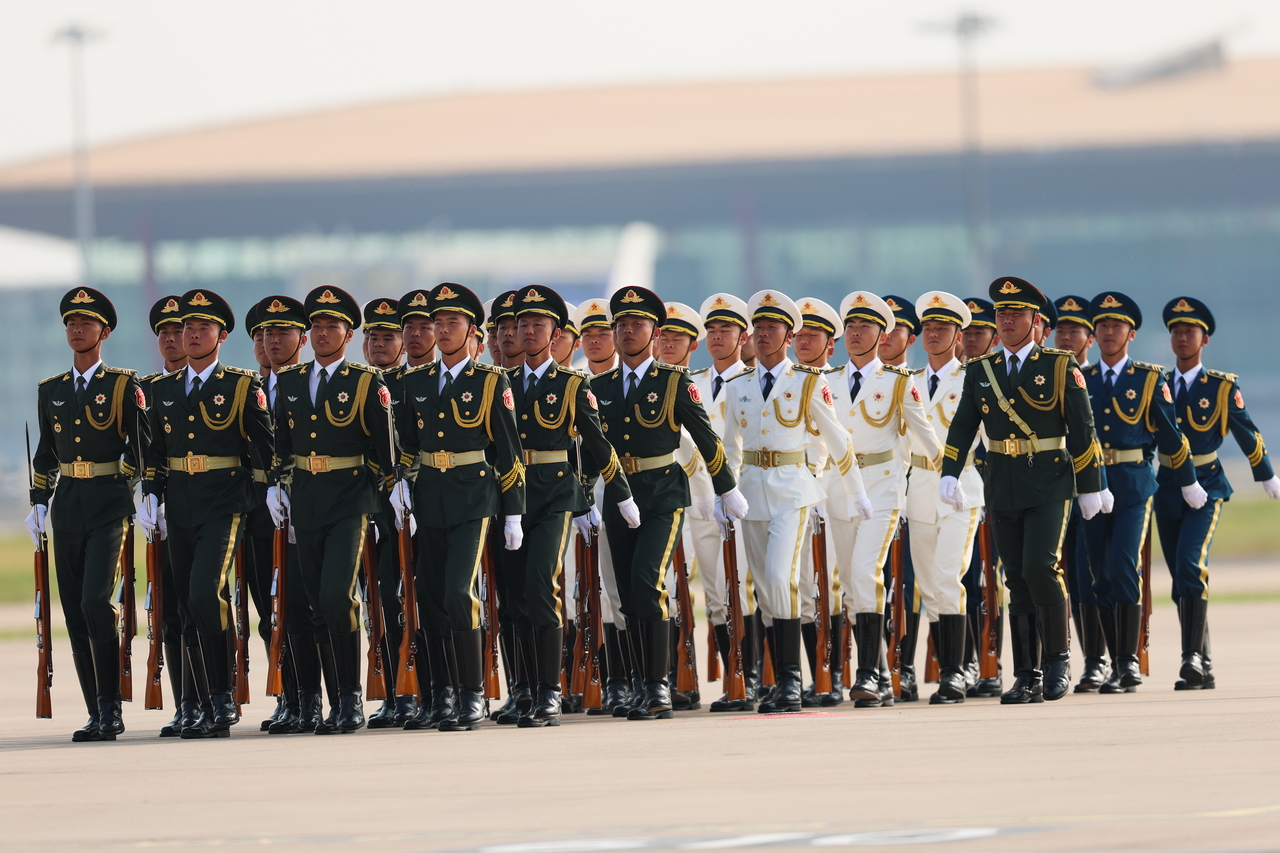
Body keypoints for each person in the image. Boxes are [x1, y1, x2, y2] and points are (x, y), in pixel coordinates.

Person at [939, 276, 1105, 704]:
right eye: (1002, 314)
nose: (1007, 321)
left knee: (1040, 567)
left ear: (1036, 321)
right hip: (1001, 483)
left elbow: (1082, 429)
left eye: (1016, 314)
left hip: (1049, 481)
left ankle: (1058, 660)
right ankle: (1027, 674)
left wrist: (1092, 486)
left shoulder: (1060, 365)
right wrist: (949, 471)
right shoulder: (981, 370)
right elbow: (963, 425)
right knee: (1014, 577)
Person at [585, 286, 744, 721]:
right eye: (621, 325)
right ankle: (640, 684)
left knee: (646, 581)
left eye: (637, 324)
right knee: (626, 595)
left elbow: (706, 439)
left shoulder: (673, 382)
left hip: (662, 494)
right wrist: (582, 498)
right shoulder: (597, 387)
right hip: (618, 496)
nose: (627, 331)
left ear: (655, 333)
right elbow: (591, 451)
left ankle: (658, 686)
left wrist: (726, 488)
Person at [720, 291, 867, 713]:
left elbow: (837, 438)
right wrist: (723, 491)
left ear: (789, 337)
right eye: (759, 328)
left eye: (773, 328)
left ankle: (789, 678)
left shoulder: (808, 381)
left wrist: (855, 489)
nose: (763, 335)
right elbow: (729, 446)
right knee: (764, 586)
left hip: (793, 489)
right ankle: (781, 677)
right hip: (750, 491)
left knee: (779, 576)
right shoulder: (737, 385)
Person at [138, 289, 273, 738]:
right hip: (179, 505)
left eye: (203, 328)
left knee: (204, 593)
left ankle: (222, 698)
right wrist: (151, 494)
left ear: (222, 336)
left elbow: (266, 447)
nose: (192, 335)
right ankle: (198, 704)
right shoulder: (161, 390)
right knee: (185, 604)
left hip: (224, 502)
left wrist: (271, 492)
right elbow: (155, 451)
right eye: (187, 328)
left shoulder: (241, 386)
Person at [266, 286, 400, 734]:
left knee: (337, 595)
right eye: (317, 326)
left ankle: (351, 698)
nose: (323, 333)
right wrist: (278, 485)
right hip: (306, 500)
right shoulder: (289, 381)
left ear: (348, 334)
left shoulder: (365, 381)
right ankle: (330, 701)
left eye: (332, 326)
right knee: (314, 603)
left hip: (350, 499)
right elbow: (281, 443)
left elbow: (385, 449)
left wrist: (386, 495)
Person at [502, 285, 636, 726]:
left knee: (542, 584)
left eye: (538, 325)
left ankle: (550, 692)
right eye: (523, 324)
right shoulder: (500, 383)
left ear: (556, 334)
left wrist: (620, 493)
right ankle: (524, 689)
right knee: (516, 596)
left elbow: (598, 444)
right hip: (511, 497)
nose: (528, 331)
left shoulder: (572, 384)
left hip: (555, 495)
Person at [397, 283, 526, 731]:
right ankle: (442, 693)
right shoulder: (414, 381)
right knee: (430, 597)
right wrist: (400, 482)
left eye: (453, 322)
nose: (444, 330)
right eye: (438, 322)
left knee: (458, 592)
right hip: (429, 497)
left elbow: (509, 452)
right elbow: (407, 444)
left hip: (474, 497)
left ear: (472, 331)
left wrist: (513, 512)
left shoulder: (490, 381)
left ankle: (473, 693)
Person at [28, 288, 149, 742]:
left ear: (105, 332)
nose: (77, 330)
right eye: (71, 324)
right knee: (74, 610)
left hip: (108, 506)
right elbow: (46, 453)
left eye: (86, 323)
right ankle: (95, 711)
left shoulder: (123, 385)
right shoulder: (51, 390)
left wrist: (130, 486)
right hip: (68, 508)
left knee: (97, 601)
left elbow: (140, 447)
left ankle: (111, 706)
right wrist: (39, 500)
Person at [1156, 297, 1279, 690]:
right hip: (1167, 486)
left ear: (1204, 339)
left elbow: (1246, 430)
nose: (1182, 338)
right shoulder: (1155, 384)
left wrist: (1266, 473)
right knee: (1180, 579)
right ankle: (1203, 662)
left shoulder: (1221, 386)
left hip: (1207, 485)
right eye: (1176, 332)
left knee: (1190, 564)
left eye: (1189, 332)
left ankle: (1190, 657)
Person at [1083, 292, 1202, 695]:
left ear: (1130, 334)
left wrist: (1188, 480)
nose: (1109, 332)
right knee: (1099, 574)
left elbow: (1171, 435)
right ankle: (1115, 663)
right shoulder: (1082, 378)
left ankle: (1128, 662)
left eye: (1117, 326)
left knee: (1123, 564)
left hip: (1133, 483)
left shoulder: (1149, 379)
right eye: (1102, 326)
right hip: (1091, 484)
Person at [826, 292, 937, 706]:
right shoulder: (826, 380)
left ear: (883, 335)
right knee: (849, 586)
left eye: (866, 327)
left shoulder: (898, 382)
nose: (856, 334)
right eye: (851, 327)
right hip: (838, 487)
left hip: (882, 487)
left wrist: (950, 476)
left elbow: (926, 436)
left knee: (864, 572)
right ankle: (882, 672)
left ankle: (868, 673)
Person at [682, 294, 758, 712]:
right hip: (698, 498)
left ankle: (755, 675)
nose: (716, 337)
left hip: (741, 499)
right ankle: (734, 677)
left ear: (743, 337)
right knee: (714, 593)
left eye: (725, 330)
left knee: (741, 589)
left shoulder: (755, 381)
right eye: (711, 330)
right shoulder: (690, 382)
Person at [903, 292, 978, 704]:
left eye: (943, 328)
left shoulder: (973, 378)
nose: (933, 334)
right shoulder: (907, 381)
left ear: (958, 336)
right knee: (929, 585)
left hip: (961, 486)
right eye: (928, 328)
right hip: (919, 487)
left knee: (950, 577)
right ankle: (952, 662)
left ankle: (954, 671)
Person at [138, 296, 196, 737]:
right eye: (164, 332)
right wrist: (147, 496)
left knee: (203, 603)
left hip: (206, 507)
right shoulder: (147, 391)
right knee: (169, 608)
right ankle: (185, 703)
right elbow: (141, 451)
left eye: (178, 331)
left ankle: (211, 695)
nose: (172, 339)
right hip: (163, 511)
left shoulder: (214, 385)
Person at [570, 298, 630, 714]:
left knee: (622, 590)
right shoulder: (572, 381)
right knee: (593, 592)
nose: (594, 341)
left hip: (624, 493)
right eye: (587, 334)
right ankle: (609, 678)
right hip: (583, 497)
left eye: (603, 333)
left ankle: (629, 677)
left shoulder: (628, 381)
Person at [1049, 295, 1105, 692]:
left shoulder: (1101, 379)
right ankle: (1057, 660)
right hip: (1052, 487)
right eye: (1060, 330)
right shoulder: (1046, 375)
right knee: (1052, 575)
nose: (1065, 337)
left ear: (1090, 338)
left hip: (1091, 491)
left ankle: (1096, 660)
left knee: (1088, 576)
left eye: (1075, 331)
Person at [791, 297, 846, 706]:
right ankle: (817, 675)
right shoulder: (785, 381)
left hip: (835, 494)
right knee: (802, 588)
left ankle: (837, 673)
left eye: (813, 336)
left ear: (831, 344)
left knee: (832, 586)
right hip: (795, 495)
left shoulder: (839, 383)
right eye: (800, 335)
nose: (804, 342)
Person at [957, 296, 1004, 698]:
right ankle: (970, 658)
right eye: (966, 332)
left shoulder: (1002, 376)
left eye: (979, 332)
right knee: (965, 577)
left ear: (995, 337)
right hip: (960, 489)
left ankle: (993, 660)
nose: (970, 339)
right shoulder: (955, 377)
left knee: (993, 579)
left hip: (997, 486)